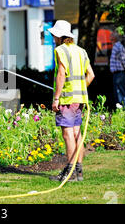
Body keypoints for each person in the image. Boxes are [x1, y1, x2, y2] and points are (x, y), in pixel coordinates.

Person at [48, 20, 95, 182]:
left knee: (68, 134)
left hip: (67, 99)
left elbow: (61, 74)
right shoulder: (81, 51)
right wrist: (80, 89)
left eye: (54, 35)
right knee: (77, 134)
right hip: (80, 99)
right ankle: (78, 172)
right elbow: (91, 75)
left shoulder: (60, 50)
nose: (53, 38)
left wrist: (56, 98)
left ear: (60, 36)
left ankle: (69, 172)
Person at [109, 31, 125, 109]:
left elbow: (124, 60)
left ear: (114, 38)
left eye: (111, 35)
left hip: (120, 73)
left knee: (122, 92)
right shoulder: (115, 46)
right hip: (116, 73)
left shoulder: (118, 47)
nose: (110, 36)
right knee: (118, 92)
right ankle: (120, 110)